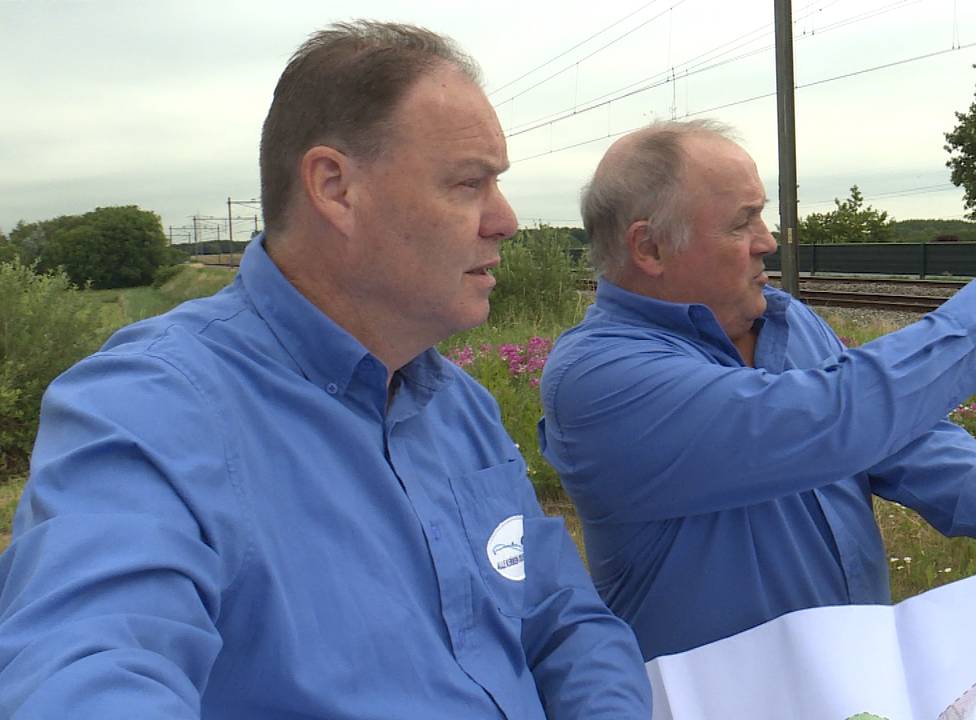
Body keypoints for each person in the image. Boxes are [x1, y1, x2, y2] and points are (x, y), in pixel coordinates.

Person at [0, 21, 650, 718]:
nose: (506, 219)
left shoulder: (460, 407)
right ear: (335, 187)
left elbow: (565, 621)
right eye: (469, 183)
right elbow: (87, 665)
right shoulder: (149, 409)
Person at [537, 119, 976, 662]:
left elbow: (896, 437)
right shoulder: (601, 377)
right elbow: (822, 422)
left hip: (853, 680)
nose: (767, 240)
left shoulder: (783, 319)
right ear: (650, 247)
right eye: (741, 221)